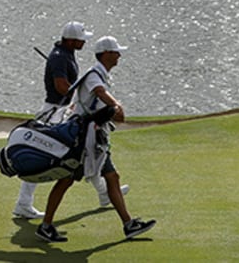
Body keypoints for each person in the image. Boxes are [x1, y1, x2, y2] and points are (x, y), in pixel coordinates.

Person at [35, 35, 156, 243]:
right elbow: (101, 95)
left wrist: (115, 109)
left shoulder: (100, 74)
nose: (119, 55)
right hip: (82, 141)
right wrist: (116, 106)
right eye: (116, 52)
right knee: (65, 180)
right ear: (106, 54)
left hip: (93, 138)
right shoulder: (94, 76)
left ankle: (128, 224)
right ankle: (45, 226)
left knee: (112, 177)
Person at [13, 21, 127, 219]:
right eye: (82, 39)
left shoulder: (66, 54)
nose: (84, 42)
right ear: (72, 40)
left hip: (63, 109)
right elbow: (60, 86)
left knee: (84, 152)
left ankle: (104, 192)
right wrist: (80, 93)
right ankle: (24, 203)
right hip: (55, 111)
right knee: (50, 153)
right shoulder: (59, 57)